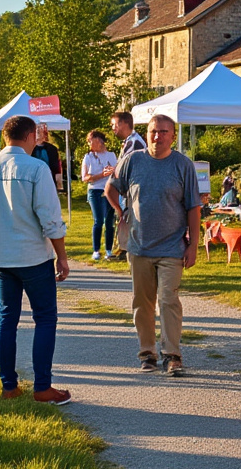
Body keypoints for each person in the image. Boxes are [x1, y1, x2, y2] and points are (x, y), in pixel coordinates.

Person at [0, 115, 72, 404]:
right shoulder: (37, 168)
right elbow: (50, 218)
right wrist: (62, 256)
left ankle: (9, 386)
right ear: (31, 136)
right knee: (45, 318)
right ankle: (42, 387)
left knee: (7, 317)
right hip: (31, 253)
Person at [106, 114, 201, 377]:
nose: (157, 136)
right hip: (139, 246)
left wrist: (193, 244)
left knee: (169, 299)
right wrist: (120, 210)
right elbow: (110, 188)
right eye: (152, 131)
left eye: (163, 132)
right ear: (145, 134)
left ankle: (172, 355)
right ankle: (147, 354)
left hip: (172, 247)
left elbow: (194, 207)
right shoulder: (133, 160)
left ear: (173, 135)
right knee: (142, 303)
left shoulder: (182, 165)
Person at [109, 111, 148, 261]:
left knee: (130, 218)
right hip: (129, 188)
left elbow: (127, 166)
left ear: (124, 123)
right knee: (126, 217)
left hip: (135, 188)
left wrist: (114, 171)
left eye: (114, 124)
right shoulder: (130, 141)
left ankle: (130, 249)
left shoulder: (134, 142)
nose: (113, 128)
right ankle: (125, 248)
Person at [80, 130, 117, 260]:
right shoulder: (88, 157)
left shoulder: (112, 155)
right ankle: (96, 250)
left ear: (99, 140)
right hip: (95, 190)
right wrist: (101, 175)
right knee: (99, 220)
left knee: (110, 221)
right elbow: (85, 177)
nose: (89, 143)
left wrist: (113, 171)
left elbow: (117, 172)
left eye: (91, 140)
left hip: (110, 190)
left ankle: (108, 250)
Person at [31, 123, 65, 193]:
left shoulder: (52, 149)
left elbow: (57, 168)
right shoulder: (28, 148)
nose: (38, 131)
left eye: (40, 128)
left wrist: (59, 184)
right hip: (32, 182)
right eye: (36, 129)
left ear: (45, 132)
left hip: (48, 181)